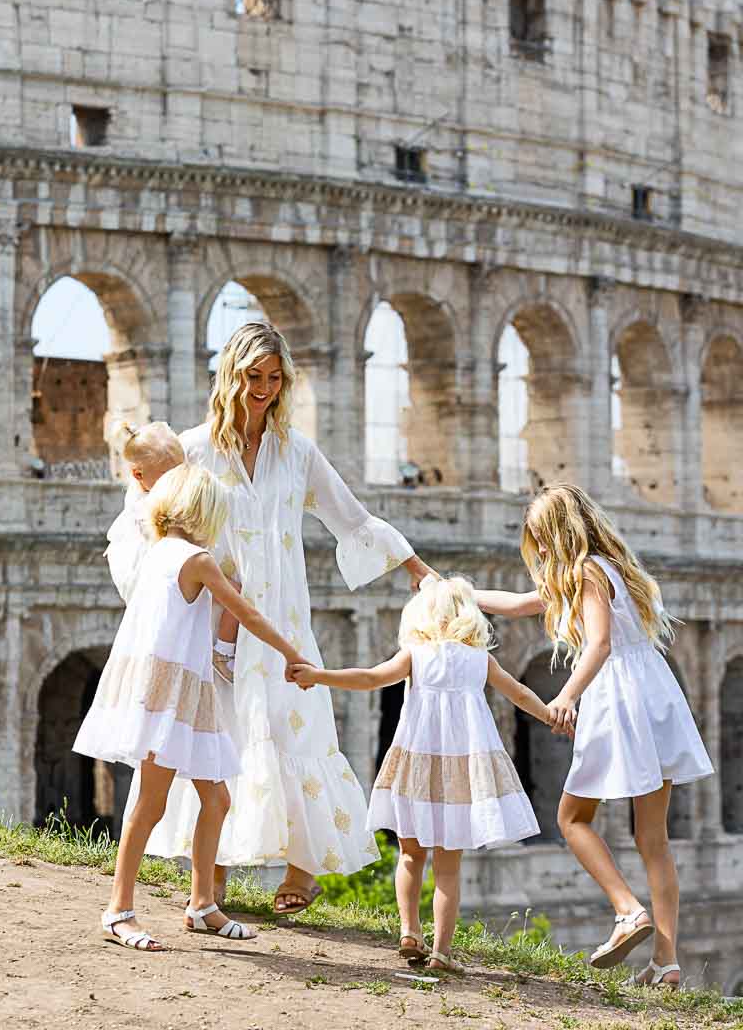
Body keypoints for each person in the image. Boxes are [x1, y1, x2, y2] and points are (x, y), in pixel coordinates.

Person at [139, 321, 437, 916]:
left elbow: (350, 517)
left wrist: (417, 570)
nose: (265, 389)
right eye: (254, 377)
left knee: (301, 727)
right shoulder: (195, 449)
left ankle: (303, 869)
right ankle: (211, 875)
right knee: (216, 739)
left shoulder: (295, 450)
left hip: (284, 617)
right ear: (231, 375)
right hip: (218, 620)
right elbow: (155, 516)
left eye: (275, 379)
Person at [474, 484, 714, 988]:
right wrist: (448, 591)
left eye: (540, 537)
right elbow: (519, 604)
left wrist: (565, 696)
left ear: (559, 534)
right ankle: (666, 963)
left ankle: (627, 910)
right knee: (653, 839)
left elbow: (600, 643)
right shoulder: (603, 569)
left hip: (620, 696)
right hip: (653, 693)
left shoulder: (585, 572)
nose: (537, 548)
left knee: (571, 818)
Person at [73, 463, 307, 950]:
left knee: (217, 799)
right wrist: (291, 653)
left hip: (183, 691)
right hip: (172, 694)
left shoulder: (160, 552)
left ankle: (203, 905)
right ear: (206, 510)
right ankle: (118, 910)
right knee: (151, 803)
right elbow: (245, 614)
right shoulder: (197, 560)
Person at [290, 575, 553, 972]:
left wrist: (318, 675)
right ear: (469, 615)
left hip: (415, 766)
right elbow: (518, 693)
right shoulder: (480, 659)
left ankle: (410, 930)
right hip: (462, 772)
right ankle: (442, 954)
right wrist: (552, 715)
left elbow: (370, 678)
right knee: (448, 868)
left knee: (410, 856)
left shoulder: (415, 654)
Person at [104, 421, 185, 604]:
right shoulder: (142, 513)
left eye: (181, 471)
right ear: (138, 475)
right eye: (166, 475)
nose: (177, 480)